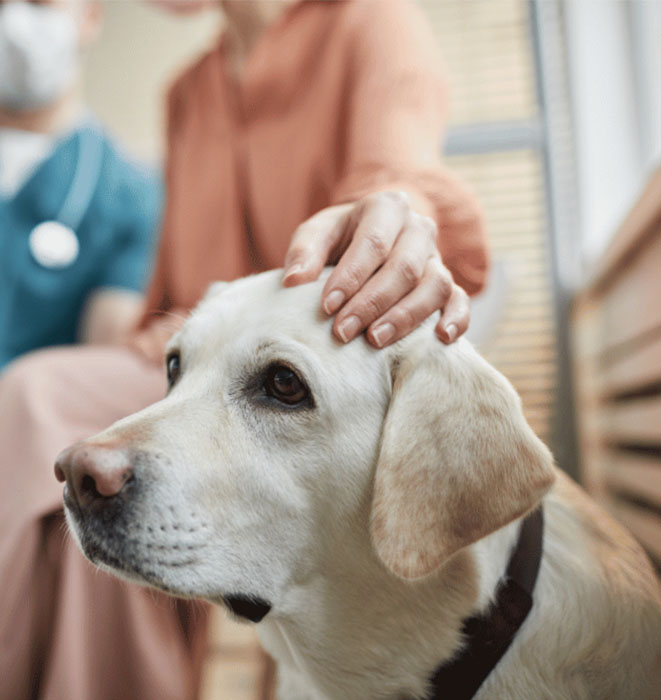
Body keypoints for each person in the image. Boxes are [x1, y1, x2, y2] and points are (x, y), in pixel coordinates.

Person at [0, 1, 488, 699]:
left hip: (310, 378)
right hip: (185, 366)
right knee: (78, 457)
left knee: (35, 396)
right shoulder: (187, 93)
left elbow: (399, 171)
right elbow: (170, 301)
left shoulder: (368, 21)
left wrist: (396, 211)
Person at [0, 0, 161, 370]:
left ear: (90, 15)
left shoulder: (131, 195)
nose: (14, 22)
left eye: (38, 3)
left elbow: (100, 365)